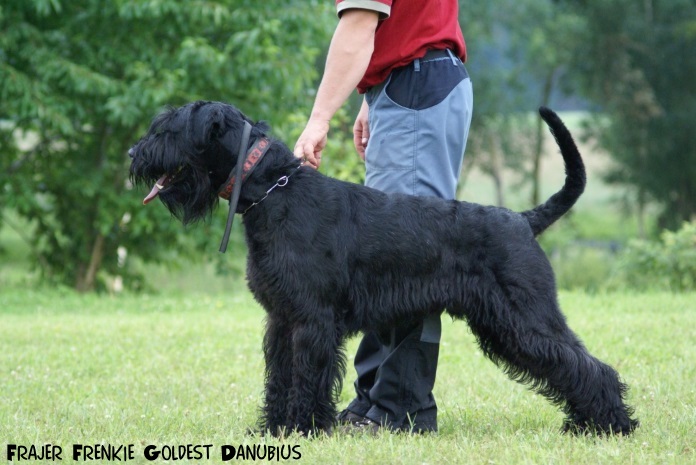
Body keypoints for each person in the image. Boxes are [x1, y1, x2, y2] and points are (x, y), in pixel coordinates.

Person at [294, 0, 473, 434]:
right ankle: (374, 399)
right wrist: (374, 93)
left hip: (416, 82)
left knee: (408, 260)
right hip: (409, 81)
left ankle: (401, 408)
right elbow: (407, 23)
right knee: (380, 257)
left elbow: (358, 27)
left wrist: (319, 119)